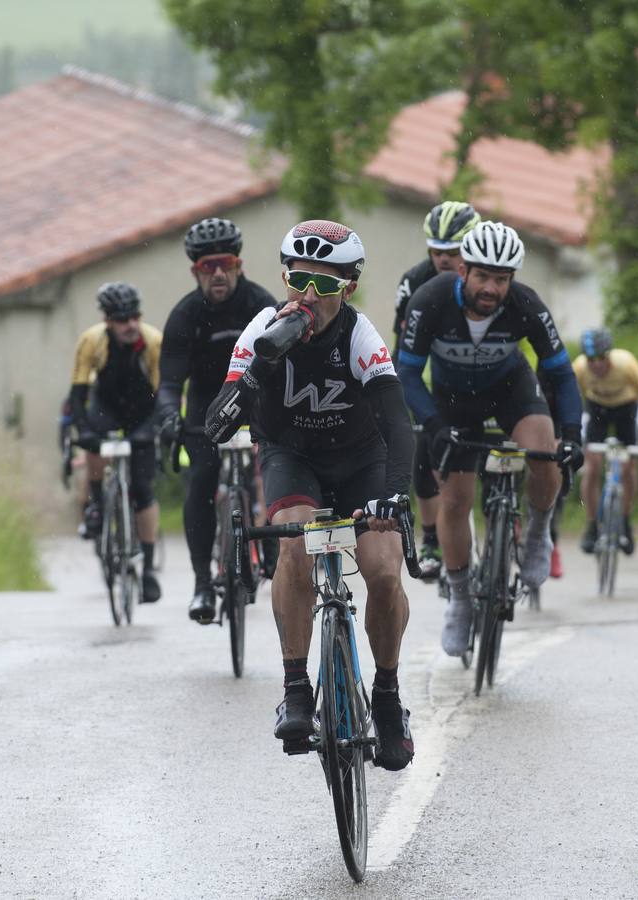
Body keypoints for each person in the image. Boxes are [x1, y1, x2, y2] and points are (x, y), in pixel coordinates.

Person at [205, 219, 417, 771]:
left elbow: (398, 425)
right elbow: (216, 425)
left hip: (359, 459)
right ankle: (297, 687)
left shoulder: (360, 335)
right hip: (291, 454)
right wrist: (251, 379)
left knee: (384, 572)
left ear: (347, 287)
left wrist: (393, 498)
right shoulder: (261, 328)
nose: (309, 296)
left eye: (325, 285)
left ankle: (389, 699)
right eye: (300, 280)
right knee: (293, 549)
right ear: (284, 276)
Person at [396, 220, 584, 658]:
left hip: (510, 390)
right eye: (483, 276)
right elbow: (406, 372)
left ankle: (537, 533)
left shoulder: (526, 305)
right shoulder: (431, 301)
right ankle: (461, 599)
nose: (491, 288)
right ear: (462, 271)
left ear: (512, 281)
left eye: (501, 280)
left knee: (544, 451)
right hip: (453, 400)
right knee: (456, 499)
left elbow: (560, 372)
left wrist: (572, 433)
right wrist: (434, 425)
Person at [155, 218, 278, 624]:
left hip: (258, 400)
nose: (218, 273)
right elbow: (171, 382)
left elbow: (285, 367)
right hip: (207, 409)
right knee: (201, 481)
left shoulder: (262, 305)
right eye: (208, 267)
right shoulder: (185, 315)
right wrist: (171, 416)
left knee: (277, 467)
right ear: (196, 272)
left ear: (238, 264)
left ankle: (273, 549)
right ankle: (202, 584)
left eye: (224, 263)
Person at [390, 201, 482, 583]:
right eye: (437, 250)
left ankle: (507, 522)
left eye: (453, 251)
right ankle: (429, 538)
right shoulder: (414, 281)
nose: (444, 258)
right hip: (432, 367)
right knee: (423, 441)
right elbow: (404, 349)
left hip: (482, 373)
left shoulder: (487, 277)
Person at [70, 282, 164, 604]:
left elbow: (164, 395)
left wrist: (151, 430)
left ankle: (148, 569)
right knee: (95, 442)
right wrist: (83, 432)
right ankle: (97, 502)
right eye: (122, 319)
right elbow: (78, 393)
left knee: (144, 489)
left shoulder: (153, 342)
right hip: (106, 405)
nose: (130, 325)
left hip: (143, 409)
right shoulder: (91, 340)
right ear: (108, 321)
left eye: (135, 317)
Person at [572, 327, 638, 556]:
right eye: (591, 359)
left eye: (602, 358)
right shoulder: (579, 367)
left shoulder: (627, 364)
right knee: (591, 467)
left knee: (630, 469)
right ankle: (591, 525)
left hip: (626, 409)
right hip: (597, 409)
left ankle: (625, 522)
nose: (597, 364)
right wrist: (574, 435)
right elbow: (574, 403)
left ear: (609, 354)